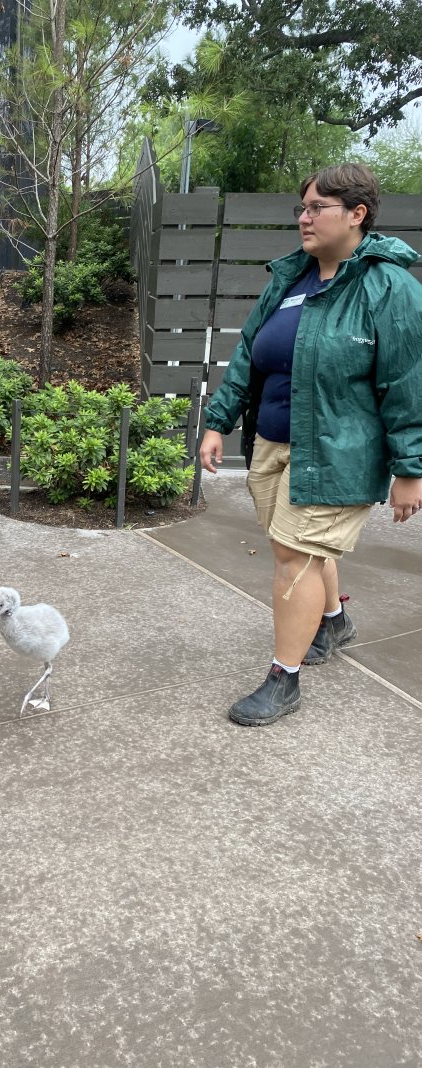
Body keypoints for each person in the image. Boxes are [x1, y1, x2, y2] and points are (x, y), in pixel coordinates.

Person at [199, 163, 422, 726]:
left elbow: (407, 382)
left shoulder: (390, 288)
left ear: (357, 214)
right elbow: (251, 352)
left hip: (338, 451)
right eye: (302, 207)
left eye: (316, 207)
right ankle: (334, 621)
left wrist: (410, 468)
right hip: (272, 445)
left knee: (296, 556)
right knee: (291, 547)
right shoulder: (291, 277)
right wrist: (218, 420)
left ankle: (284, 678)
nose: (303, 217)